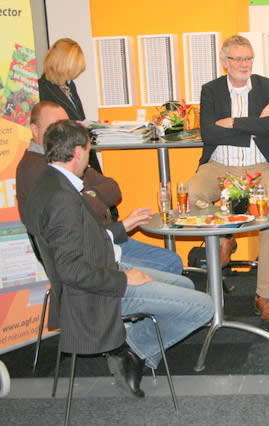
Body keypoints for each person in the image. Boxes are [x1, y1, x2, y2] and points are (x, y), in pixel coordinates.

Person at [22, 120, 214, 398]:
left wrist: (123, 226)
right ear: (78, 152)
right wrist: (124, 278)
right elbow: (71, 269)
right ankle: (131, 350)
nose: (89, 157)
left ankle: (130, 343)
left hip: (102, 269)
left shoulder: (49, 182)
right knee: (205, 307)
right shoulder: (62, 198)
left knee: (185, 285)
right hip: (98, 292)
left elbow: (83, 239)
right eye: (89, 150)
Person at [15, 101, 184, 275]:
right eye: (54, 126)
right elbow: (77, 211)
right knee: (168, 267)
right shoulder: (35, 169)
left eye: (66, 125)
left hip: (108, 238)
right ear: (35, 130)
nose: (62, 131)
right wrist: (87, 198)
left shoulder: (68, 157)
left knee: (172, 260)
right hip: (91, 254)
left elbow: (113, 188)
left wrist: (88, 194)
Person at [185, 35, 269, 322]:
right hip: (219, 166)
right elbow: (209, 133)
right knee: (190, 194)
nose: (244, 64)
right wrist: (255, 125)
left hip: (260, 166)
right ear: (225, 62)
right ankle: (225, 235)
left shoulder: (267, 86)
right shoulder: (211, 90)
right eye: (238, 59)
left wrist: (233, 123)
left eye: (248, 58)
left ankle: (265, 295)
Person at [38, 38, 103, 174]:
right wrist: (74, 125)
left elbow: (78, 116)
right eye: (74, 67)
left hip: (81, 151)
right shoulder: (42, 89)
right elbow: (48, 129)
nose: (76, 73)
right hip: (65, 156)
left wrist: (92, 126)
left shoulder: (69, 86)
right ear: (63, 63)